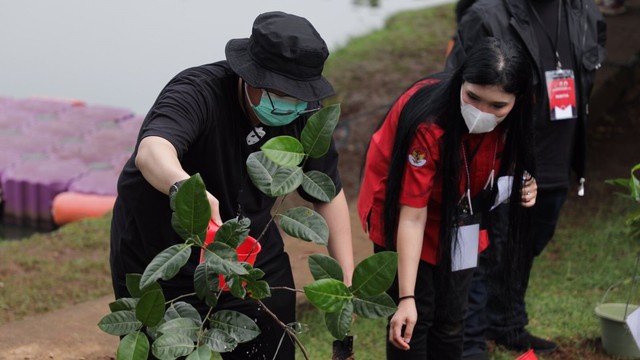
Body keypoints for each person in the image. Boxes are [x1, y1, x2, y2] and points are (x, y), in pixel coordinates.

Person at [109, 11, 355, 360]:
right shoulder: (198, 91)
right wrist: (187, 191)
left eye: (298, 95)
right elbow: (152, 151)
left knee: (271, 341)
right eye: (279, 93)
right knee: (169, 348)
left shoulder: (306, 115)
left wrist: (344, 278)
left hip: (250, 248)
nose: (290, 104)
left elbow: (326, 193)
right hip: (166, 249)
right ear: (248, 74)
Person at [357, 37, 538, 359]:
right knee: (415, 318)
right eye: (473, 97)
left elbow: (508, 166)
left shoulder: (517, 121)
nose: (481, 113)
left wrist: (525, 185)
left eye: (497, 106)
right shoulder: (429, 126)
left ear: (517, 102)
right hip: (405, 213)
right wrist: (405, 298)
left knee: (453, 316)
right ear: (460, 81)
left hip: (460, 219)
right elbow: (411, 216)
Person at [445, 0, 607, 358]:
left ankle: (506, 323)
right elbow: (455, 88)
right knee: (485, 250)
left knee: (528, 244)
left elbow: (587, 79)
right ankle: (469, 341)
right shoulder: (486, 16)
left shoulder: (587, 13)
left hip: (557, 155)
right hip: (502, 159)